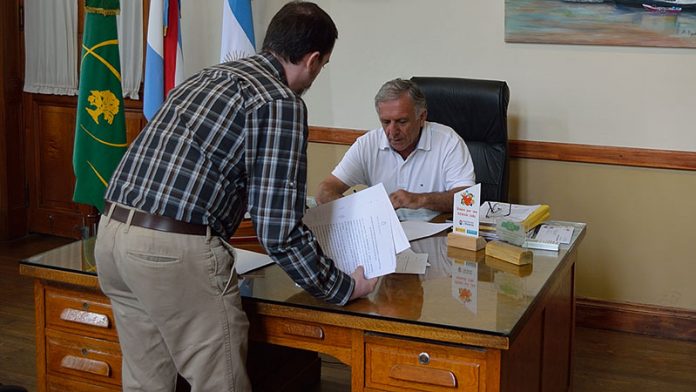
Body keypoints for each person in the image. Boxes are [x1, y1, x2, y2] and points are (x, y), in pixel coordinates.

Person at [94, 2, 377, 391]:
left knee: (147, 384)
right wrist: (342, 288)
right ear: (313, 60)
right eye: (323, 64)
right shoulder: (280, 101)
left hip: (111, 236)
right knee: (219, 383)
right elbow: (277, 228)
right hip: (173, 252)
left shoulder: (209, 76)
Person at [316, 78, 476, 215]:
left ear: (422, 117)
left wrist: (420, 199)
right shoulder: (367, 144)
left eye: (402, 122)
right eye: (386, 122)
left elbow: (467, 198)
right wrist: (355, 212)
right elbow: (325, 190)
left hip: (437, 239)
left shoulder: (448, 142)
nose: (392, 131)